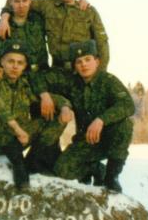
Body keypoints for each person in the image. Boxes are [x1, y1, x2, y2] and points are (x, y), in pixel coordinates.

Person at [0, 0, 109, 121]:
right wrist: (4, 17)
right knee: (49, 115)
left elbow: (102, 44)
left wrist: (99, 76)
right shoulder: (47, 6)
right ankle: (49, 145)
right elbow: (19, 2)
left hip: (82, 73)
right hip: (56, 73)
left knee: (86, 119)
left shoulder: (88, 11)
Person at [0, 41, 73, 188]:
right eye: (10, 61)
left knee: (53, 117)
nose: (15, 66)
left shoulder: (24, 85)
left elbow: (51, 98)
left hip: (18, 139)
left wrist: (65, 106)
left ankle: (34, 160)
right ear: (2, 62)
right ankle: (19, 164)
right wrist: (17, 129)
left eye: (20, 63)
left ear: (25, 66)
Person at [49, 40, 134, 193]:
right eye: (79, 61)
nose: (84, 65)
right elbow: (52, 92)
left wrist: (101, 120)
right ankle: (95, 168)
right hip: (86, 139)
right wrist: (61, 104)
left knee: (125, 124)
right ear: (75, 66)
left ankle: (111, 177)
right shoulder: (73, 84)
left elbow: (128, 105)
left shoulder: (109, 81)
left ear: (97, 61)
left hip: (109, 138)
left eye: (88, 60)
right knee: (62, 170)